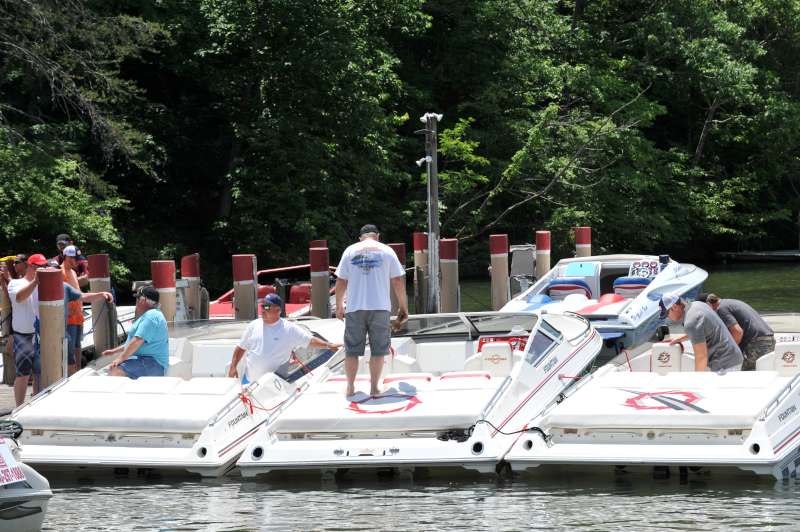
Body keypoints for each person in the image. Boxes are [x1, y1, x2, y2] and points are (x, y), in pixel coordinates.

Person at [335, 224, 408, 397]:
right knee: (378, 350)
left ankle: (350, 387)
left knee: (351, 351)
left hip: (354, 308)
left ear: (360, 238)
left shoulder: (349, 251)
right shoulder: (387, 251)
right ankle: (374, 388)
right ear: (378, 236)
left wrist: (339, 305)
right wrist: (403, 306)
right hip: (380, 307)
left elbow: (341, 281)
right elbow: (397, 281)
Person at [228, 293, 340, 383]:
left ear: (278, 310)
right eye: (262, 306)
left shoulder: (289, 329)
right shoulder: (253, 325)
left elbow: (310, 341)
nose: (263, 309)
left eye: (266, 306)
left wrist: (328, 345)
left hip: (272, 385)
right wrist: (233, 367)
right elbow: (241, 348)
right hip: (248, 380)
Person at [660, 291, 743, 373]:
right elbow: (703, 330)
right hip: (733, 358)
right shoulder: (698, 305)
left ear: (674, 307)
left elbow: (701, 357)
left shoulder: (691, 321)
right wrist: (678, 339)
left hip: (725, 367)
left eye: (667, 314)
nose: (668, 318)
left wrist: (696, 380)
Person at [101, 286, 168, 379]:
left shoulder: (151, 316)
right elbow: (132, 342)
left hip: (152, 363)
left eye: (137, 298)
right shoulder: (152, 315)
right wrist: (114, 351)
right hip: (146, 361)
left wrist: (119, 359)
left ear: (143, 300)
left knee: (116, 371)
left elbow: (137, 341)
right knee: (114, 369)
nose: (136, 301)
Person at [6, 254, 47, 405]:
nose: (42, 270)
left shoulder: (44, 284)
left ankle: (37, 405)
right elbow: (19, 298)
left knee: (40, 373)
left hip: (40, 334)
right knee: (22, 374)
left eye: (44, 267)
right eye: (39, 267)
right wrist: (35, 282)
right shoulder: (15, 283)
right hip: (23, 335)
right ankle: (18, 408)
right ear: (30, 266)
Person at [698, 293, 775, 371]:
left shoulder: (721, 309)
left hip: (757, 343)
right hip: (767, 340)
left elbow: (737, 332)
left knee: (741, 373)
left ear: (708, 304)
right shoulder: (729, 302)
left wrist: (728, 352)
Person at [61, 245, 85, 375]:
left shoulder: (74, 272)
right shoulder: (60, 272)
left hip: (78, 316)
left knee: (77, 346)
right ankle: (71, 375)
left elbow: (78, 293)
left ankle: (78, 372)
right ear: (67, 257)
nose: (78, 261)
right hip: (69, 319)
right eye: (75, 258)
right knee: (69, 350)